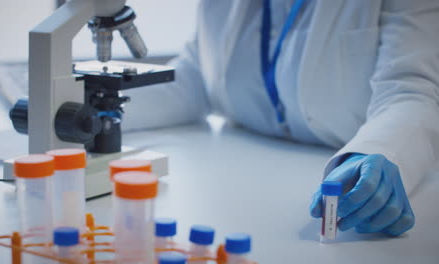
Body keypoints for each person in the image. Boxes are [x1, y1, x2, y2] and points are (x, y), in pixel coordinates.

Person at [123, 0, 439, 236]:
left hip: (336, 195)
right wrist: (87, 102)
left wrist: (377, 151)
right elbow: (198, 76)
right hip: (237, 200)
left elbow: (411, 93)